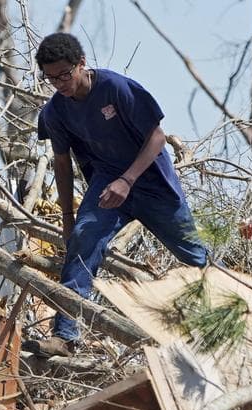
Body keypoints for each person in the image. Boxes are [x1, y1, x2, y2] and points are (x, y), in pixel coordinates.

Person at [25, 32, 208, 357]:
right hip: (107, 184)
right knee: (82, 239)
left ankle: (226, 316)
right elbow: (62, 163)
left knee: (195, 257)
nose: (60, 83)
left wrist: (128, 179)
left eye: (65, 74)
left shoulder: (116, 88)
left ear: (81, 64)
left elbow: (157, 138)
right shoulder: (55, 113)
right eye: (51, 78)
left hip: (152, 182)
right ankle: (66, 336)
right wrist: (68, 216)